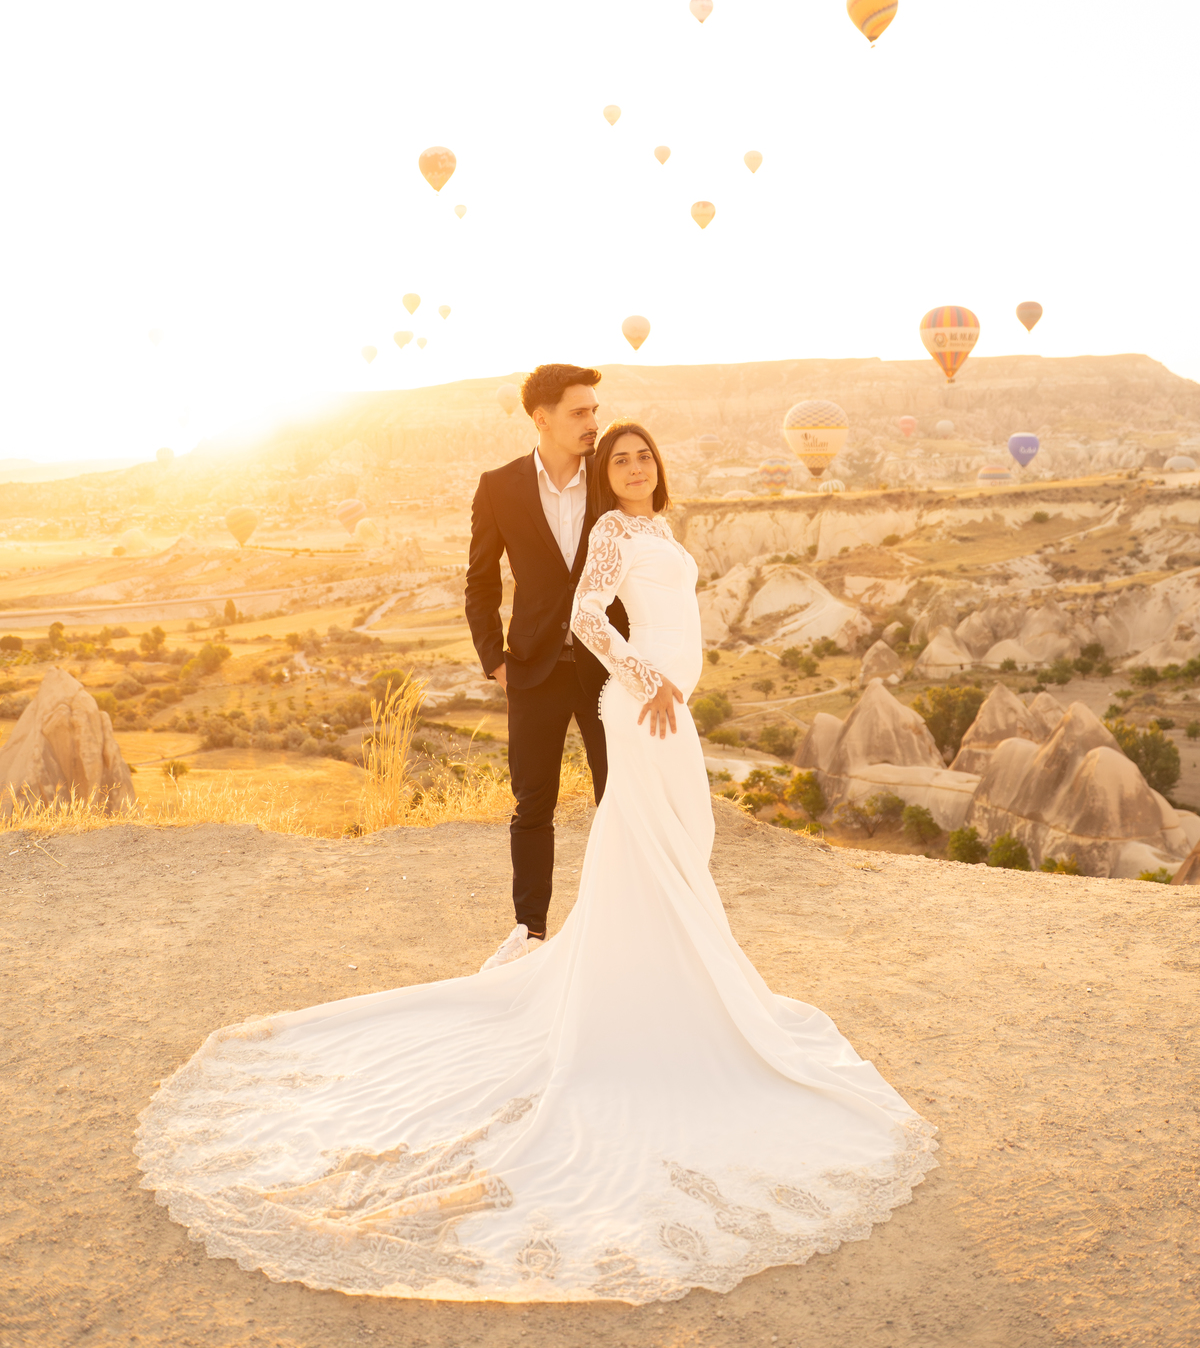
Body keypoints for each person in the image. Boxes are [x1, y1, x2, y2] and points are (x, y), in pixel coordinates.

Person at [136, 418, 936, 1307]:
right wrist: (643, 679)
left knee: (682, 843)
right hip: (644, 704)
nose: (632, 463)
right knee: (646, 842)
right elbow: (589, 616)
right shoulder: (613, 530)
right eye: (618, 456)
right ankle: (649, 984)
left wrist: (672, 682)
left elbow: (673, 617)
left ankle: (671, 976)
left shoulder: (660, 527)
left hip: (671, 704)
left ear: (659, 465)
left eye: (643, 454)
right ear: (604, 472)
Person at [464, 362, 624, 970]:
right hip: (531, 670)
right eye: (580, 412)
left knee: (620, 799)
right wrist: (495, 663)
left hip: (607, 671)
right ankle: (529, 932)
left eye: (594, 410)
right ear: (542, 419)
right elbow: (480, 583)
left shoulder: (610, 478)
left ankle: (622, 923)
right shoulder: (498, 486)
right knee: (533, 805)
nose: (593, 422)